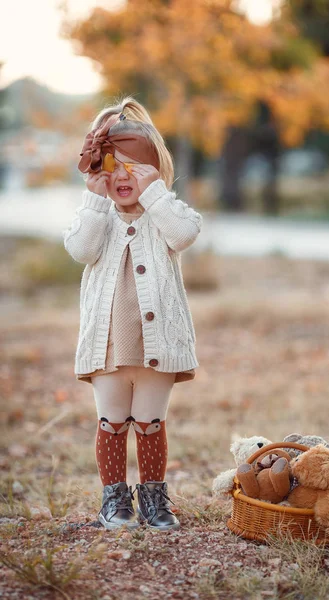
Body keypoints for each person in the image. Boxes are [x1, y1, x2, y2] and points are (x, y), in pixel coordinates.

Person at [63, 97, 202, 531]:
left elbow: (185, 233)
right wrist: (95, 201)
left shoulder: (164, 215)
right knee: (111, 421)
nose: (122, 177)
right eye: (112, 165)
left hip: (157, 347)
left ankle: (155, 501)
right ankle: (115, 502)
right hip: (107, 345)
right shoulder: (96, 217)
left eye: (134, 167)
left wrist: (156, 190)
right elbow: (82, 250)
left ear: (154, 169)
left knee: (149, 421)